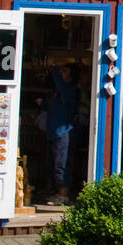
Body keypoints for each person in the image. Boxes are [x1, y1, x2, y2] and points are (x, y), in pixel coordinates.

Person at [42, 64, 77, 204]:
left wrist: (54, 69)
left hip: (64, 132)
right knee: (53, 163)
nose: (61, 72)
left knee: (61, 163)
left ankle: (63, 195)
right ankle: (57, 192)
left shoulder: (70, 89)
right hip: (53, 131)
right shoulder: (56, 91)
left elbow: (61, 85)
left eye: (65, 70)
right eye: (61, 70)